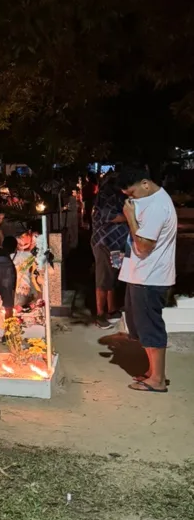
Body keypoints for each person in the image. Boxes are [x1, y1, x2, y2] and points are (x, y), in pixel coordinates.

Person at [116, 165, 177, 393]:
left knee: (151, 327)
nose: (130, 199)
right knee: (142, 327)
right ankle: (153, 372)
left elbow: (142, 246)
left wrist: (130, 218)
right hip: (142, 275)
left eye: (131, 194)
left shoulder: (157, 208)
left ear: (145, 183)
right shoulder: (152, 200)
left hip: (150, 276)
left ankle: (158, 380)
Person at [91, 177, 128, 329]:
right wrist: (132, 217)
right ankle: (100, 314)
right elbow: (113, 217)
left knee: (112, 276)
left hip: (116, 244)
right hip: (105, 244)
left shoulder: (116, 196)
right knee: (103, 278)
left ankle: (112, 310)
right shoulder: (105, 197)